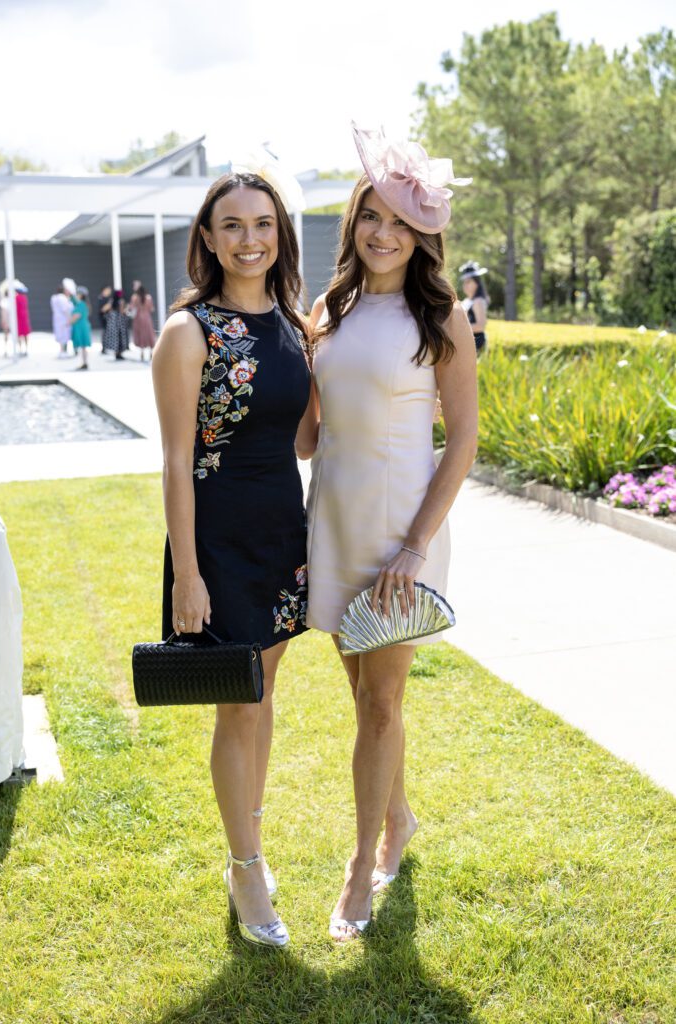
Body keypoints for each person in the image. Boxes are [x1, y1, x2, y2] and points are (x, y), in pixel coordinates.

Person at [300, 123, 479, 942]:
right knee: (362, 699)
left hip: (402, 532)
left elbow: (464, 443)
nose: (382, 234)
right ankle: (397, 817)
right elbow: (309, 434)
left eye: (401, 224)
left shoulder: (441, 318)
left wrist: (414, 545)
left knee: (381, 704)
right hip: (332, 522)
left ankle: (359, 868)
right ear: (354, 220)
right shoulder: (325, 311)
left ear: (424, 236)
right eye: (372, 216)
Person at [151, 168, 312, 950]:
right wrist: (187, 572)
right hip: (216, 543)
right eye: (233, 225)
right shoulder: (188, 333)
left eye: (263, 225)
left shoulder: (293, 325)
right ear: (207, 239)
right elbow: (176, 461)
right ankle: (245, 866)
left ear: (279, 234)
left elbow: (306, 438)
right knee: (236, 702)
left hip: (283, 535)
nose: (249, 240)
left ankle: (249, 839)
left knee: (264, 691)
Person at [459, 260, 489, 356]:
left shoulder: (478, 301)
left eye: (468, 282)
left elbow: (481, 326)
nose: (465, 285)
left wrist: (458, 329)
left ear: (476, 283)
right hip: (468, 341)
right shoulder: (467, 300)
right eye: (464, 282)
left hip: (477, 342)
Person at [127, 281, 157, 360]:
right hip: (147, 318)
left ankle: (142, 352)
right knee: (149, 334)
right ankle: (151, 352)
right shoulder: (148, 297)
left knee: (141, 334)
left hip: (138, 318)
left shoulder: (135, 297)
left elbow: (131, 307)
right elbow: (152, 309)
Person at [102, 288, 130, 360]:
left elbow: (104, 309)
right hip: (120, 321)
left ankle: (116, 352)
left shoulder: (111, 301)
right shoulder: (121, 301)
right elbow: (122, 311)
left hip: (113, 321)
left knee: (114, 337)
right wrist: (127, 309)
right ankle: (119, 353)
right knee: (121, 337)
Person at [70, 286, 92, 370]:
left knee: (83, 346)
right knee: (83, 347)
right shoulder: (82, 303)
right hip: (82, 326)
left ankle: (85, 362)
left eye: (77, 293)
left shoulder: (81, 304)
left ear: (81, 295)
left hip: (81, 327)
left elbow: (76, 316)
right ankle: (84, 362)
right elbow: (72, 299)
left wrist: (68, 322)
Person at [51, 283, 73, 357]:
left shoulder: (53, 297)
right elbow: (65, 309)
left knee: (60, 335)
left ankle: (61, 351)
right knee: (64, 335)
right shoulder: (62, 298)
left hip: (57, 319)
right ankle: (63, 352)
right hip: (63, 319)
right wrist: (69, 318)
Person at [14, 283, 32, 357]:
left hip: (19, 318)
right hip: (24, 318)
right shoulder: (24, 297)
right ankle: (26, 349)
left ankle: (21, 350)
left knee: (20, 335)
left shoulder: (16, 298)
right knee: (25, 335)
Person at [97, 285, 113, 354]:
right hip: (103, 318)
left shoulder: (107, 298)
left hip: (108, 317)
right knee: (105, 333)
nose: (109, 291)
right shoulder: (101, 298)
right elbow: (102, 309)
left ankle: (107, 347)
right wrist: (109, 305)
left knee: (107, 333)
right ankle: (104, 348)